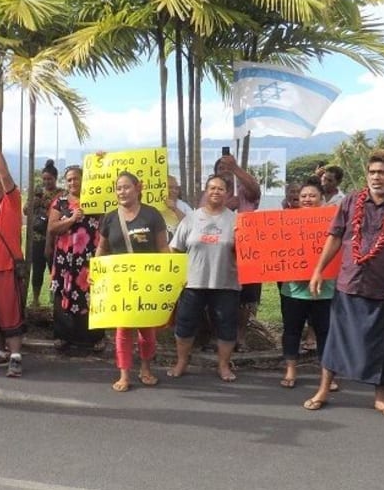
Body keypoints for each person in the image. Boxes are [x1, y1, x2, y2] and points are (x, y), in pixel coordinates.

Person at [304, 150, 384, 419]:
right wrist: (318, 270)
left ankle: (380, 398)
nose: (376, 177)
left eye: (382, 173)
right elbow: (335, 237)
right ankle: (323, 389)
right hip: (349, 282)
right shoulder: (350, 201)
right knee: (336, 339)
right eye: (372, 172)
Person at [96, 171, 169, 392]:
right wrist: (95, 270)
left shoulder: (152, 215)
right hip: (120, 283)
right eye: (118, 188)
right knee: (123, 329)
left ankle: (146, 369)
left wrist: (171, 274)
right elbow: (102, 248)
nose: (122, 191)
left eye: (127, 187)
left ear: (138, 188)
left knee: (147, 330)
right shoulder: (109, 217)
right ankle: (124, 374)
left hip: (148, 281)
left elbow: (163, 247)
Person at [168, 174, 241, 383]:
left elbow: (247, 251)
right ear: (206, 192)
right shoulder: (191, 218)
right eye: (212, 188)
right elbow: (175, 248)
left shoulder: (236, 221)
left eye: (221, 189)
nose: (216, 192)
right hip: (193, 283)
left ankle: (223, 365)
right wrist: (175, 276)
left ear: (227, 194)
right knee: (185, 324)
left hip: (226, 283)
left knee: (227, 327)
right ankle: (182, 361)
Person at [277, 180, 334, 388]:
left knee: (325, 333)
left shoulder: (333, 222)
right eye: (304, 196)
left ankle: (326, 376)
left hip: (324, 290)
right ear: (297, 199)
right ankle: (291, 370)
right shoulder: (284, 221)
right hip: (293, 290)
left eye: (312, 196)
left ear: (322, 199)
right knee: (291, 330)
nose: (308, 199)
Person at [205, 153, 262, 350]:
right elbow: (201, 216)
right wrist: (224, 206)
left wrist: (235, 168)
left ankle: (240, 336)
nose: (226, 171)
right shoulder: (210, 193)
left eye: (229, 167)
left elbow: (256, 189)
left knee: (247, 296)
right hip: (217, 251)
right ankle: (216, 335)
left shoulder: (244, 190)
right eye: (221, 168)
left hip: (246, 250)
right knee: (216, 292)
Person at [47, 165, 104, 354]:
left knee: (90, 296)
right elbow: (52, 228)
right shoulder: (60, 202)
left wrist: (101, 161)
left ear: (84, 180)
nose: (73, 182)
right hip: (65, 259)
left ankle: (94, 338)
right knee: (63, 293)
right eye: (69, 179)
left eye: (76, 178)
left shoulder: (95, 201)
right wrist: (71, 219)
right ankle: (63, 336)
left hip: (89, 258)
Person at [0, 133, 26, 378]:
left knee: (11, 314)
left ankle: (16, 357)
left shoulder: (11, 201)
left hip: (7, 267)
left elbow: (6, 175)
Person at [25, 160, 61, 306]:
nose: (46, 182)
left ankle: (55, 299)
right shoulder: (37, 192)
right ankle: (35, 299)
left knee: (55, 270)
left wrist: (48, 207)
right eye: (44, 179)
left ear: (55, 179)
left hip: (55, 238)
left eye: (49, 179)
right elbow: (26, 210)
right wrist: (35, 200)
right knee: (38, 269)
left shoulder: (60, 194)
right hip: (37, 238)